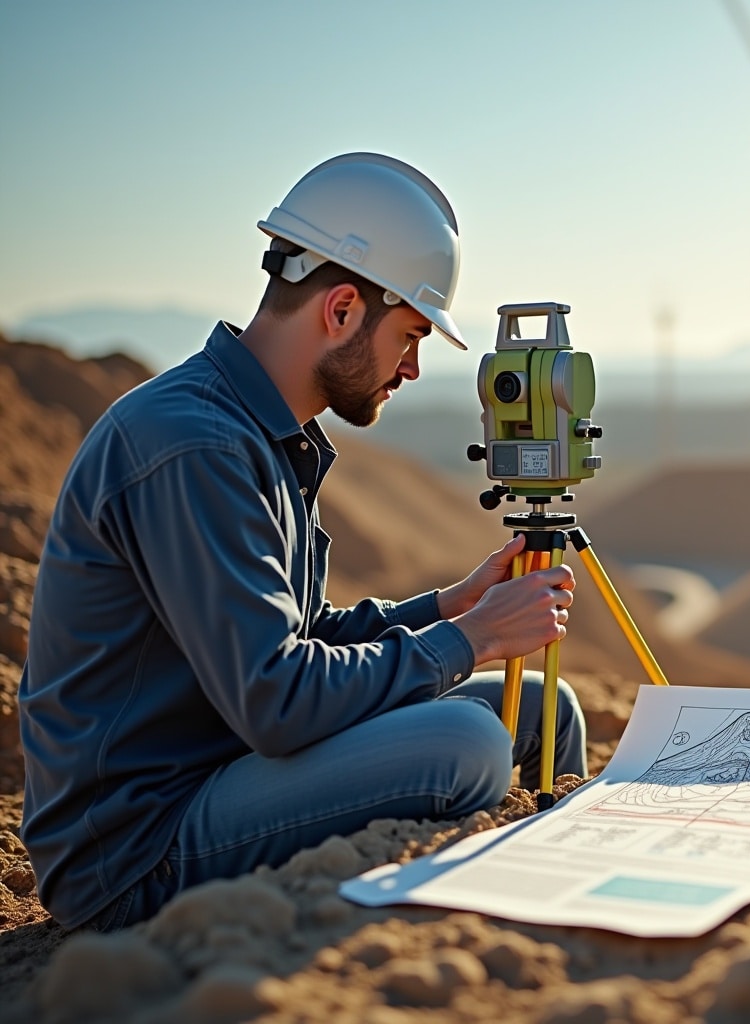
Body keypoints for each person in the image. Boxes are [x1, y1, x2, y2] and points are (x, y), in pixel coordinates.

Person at [19, 153, 585, 933]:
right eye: (411, 335)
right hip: (137, 845)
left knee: (546, 710)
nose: (414, 368)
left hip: (226, 766)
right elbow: (278, 700)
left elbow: (298, 640)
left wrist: (448, 608)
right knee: (468, 743)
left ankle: (571, 901)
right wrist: (473, 639)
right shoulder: (194, 446)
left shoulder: (257, 433)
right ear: (343, 309)